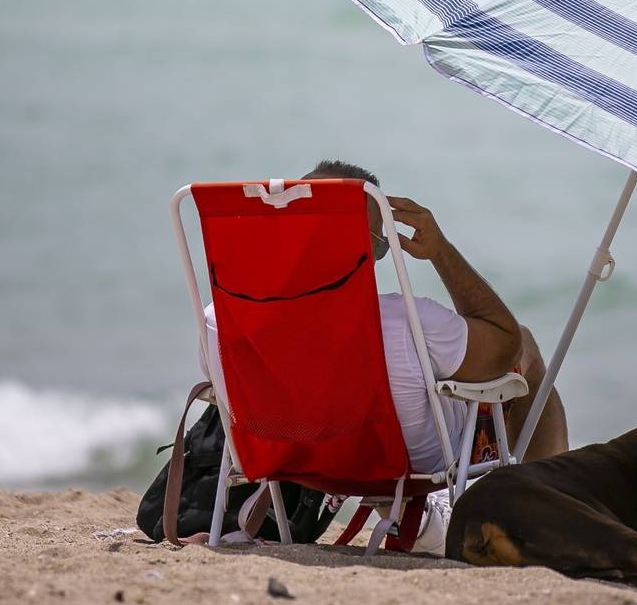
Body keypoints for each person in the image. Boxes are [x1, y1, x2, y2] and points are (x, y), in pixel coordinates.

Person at [202, 160, 568, 553]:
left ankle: (425, 520)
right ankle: (548, 517)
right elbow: (505, 345)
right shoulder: (408, 322)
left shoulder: (219, 321)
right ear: (372, 249)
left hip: (296, 462)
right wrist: (442, 252)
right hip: (411, 465)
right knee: (524, 346)